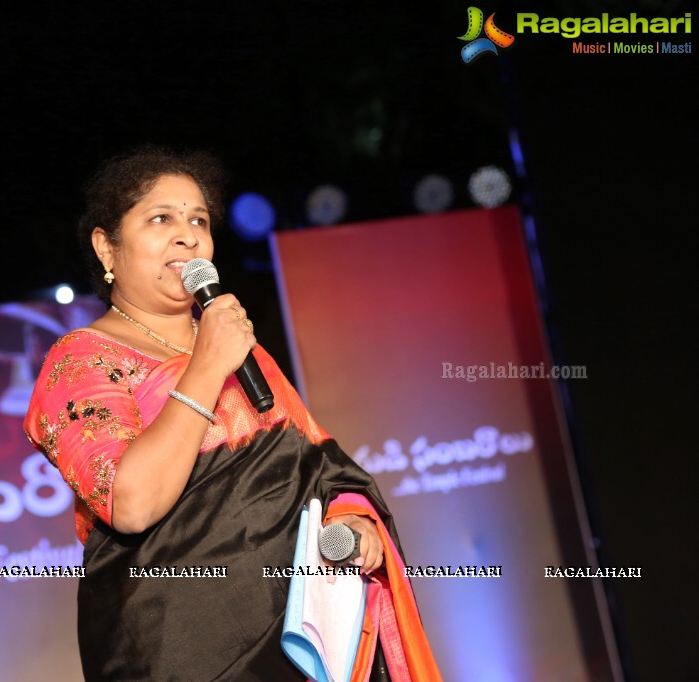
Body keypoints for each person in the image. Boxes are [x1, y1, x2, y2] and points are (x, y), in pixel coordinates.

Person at [23, 146, 440, 681]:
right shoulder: (80, 361)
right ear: (107, 247)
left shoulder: (242, 348)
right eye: (160, 218)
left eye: (199, 219)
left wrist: (353, 519)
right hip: (178, 647)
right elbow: (130, 504)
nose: (188, 234)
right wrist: (206, 366)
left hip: (305, 636)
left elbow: (315, 464)